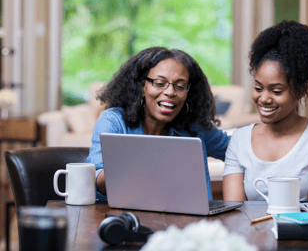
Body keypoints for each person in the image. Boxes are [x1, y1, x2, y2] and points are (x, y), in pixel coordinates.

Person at [223, 20, 308, 202]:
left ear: (301, 91)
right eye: (258, 88)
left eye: (276, 91)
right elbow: (234, 213)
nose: (264, 98)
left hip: (304, 231)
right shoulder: (240, 140)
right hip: (250, 230)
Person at [87, 47, 230, 202]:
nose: (170, 92)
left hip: (190, 222)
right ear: (141, 85)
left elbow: (236, 149)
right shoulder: (113, 121)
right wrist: (140, 163)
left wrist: (259, 128)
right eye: (160, 83)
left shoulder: (194, 127)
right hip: (130, 220)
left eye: (180, 86)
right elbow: (94, 182)